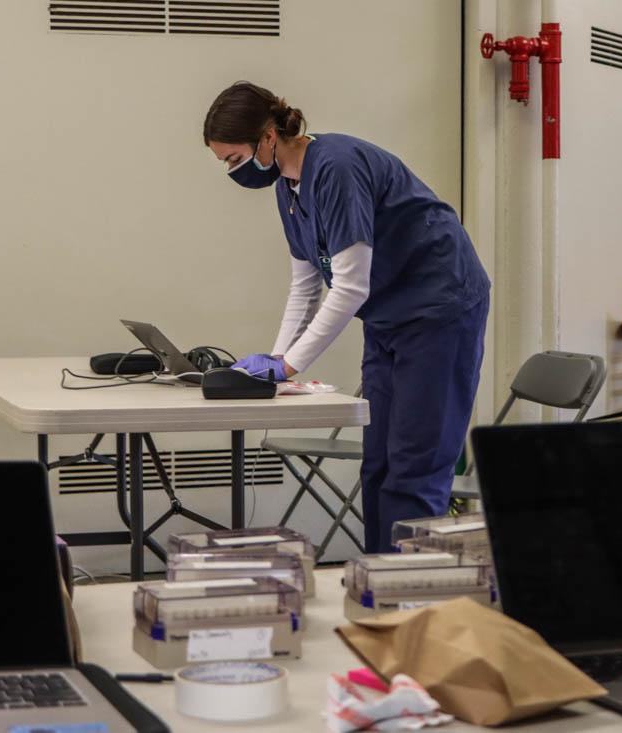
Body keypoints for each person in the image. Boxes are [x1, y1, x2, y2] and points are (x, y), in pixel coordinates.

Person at [203, 81, 490, 552]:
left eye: (235, 158)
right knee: (377, 463)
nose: (234, 171)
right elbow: (307, 283)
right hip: (388, 316)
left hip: (441, 308)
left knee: (414, 466)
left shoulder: (335, 167)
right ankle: (377, 583)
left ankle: (409, 603)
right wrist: (277, 361)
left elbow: (351, 286)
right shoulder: (288, 187)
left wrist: (290, 367)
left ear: (269, 137)